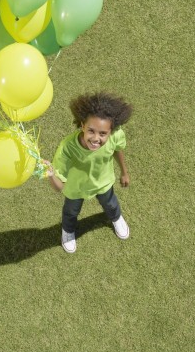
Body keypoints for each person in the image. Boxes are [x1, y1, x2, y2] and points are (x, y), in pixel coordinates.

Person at [42, 92, 133, 253]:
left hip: (103, 182)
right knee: (70, 212)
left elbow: (117, 150)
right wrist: (51, 174)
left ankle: (116, 218)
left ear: (111, 132)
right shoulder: (67, 148)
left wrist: (124, 172)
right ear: (82, 125)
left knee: (111, 204)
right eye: (91, 130)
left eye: (103, 133)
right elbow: (59, 187)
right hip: (75, 189)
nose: (96, 138)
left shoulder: (116, 136)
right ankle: (68, 231)